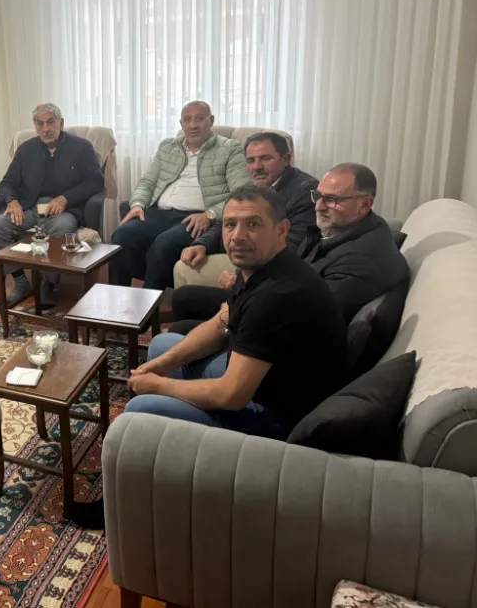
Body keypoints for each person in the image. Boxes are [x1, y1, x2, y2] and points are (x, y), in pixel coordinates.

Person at [71, 186, 347, 528]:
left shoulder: (278, 295)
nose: (237, 236)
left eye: (253, 224)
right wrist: (161, 365)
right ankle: (167, 451)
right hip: (264, 378)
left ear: (281, 230)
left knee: (140, 409)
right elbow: (220, 323)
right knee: (163, 346)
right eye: (230, 225)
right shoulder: (263, 268)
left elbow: (231, 395)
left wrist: (159, 386)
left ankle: (120, 506)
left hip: (277, 418)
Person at [172, 162, 409, 324]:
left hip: (281, 332)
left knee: (184, 312)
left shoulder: (360, 261)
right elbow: (292, 264)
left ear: (365, 204)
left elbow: (304, 315)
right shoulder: (340, 229)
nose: (319, 207)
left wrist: (246, 288)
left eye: (332, 199)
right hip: (277, 298)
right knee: (185, 304)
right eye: (319, 196)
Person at [172, 132, 317, 318]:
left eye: (266, 158)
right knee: (184, 262)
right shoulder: (255, 186)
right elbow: (227, 221)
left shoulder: (305, 190)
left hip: (275, 270)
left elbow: (295, 247)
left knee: (184, 275)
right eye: (251, 160)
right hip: (251, 255)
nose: (257, 167)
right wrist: (202, 244)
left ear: (286, 159)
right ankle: (204, 325)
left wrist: (243, 273)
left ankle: (232, 319)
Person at [111, 100, 248, 290]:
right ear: (181, 124)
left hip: (196, 218)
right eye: (187, 120)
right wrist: (138, 204)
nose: (193, 125)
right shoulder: (168, 146)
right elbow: (147, 182)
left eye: (199, 119)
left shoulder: (230, 148)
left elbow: (241, 194)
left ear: (211, 121)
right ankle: (118, 296)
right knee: (121, 236)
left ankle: (152, 304)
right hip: (159, 212)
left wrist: (210, 215)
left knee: (163, 245)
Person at [0, 103, 104, 307]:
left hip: (63, 210)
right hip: (30, 208)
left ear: (61, 123)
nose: (46, 129)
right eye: (40, 124)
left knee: (62, 226)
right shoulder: (26, 150)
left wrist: (66, 198)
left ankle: (47, 282)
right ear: (35, 127)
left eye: (50, 122)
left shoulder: (81, 147)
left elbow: (96, 181)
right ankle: (21, 281)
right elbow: (8, 182)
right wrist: (12, 201)